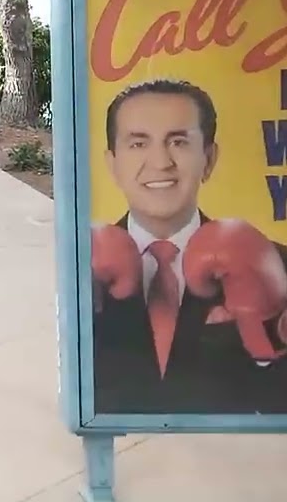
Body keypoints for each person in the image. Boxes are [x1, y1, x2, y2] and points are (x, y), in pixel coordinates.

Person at [92, 78, 287, 414]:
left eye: (179, 142)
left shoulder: (279, 262)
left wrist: (271, 341)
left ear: (208, 159)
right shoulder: (82, 263)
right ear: (112, 164)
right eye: (138, 144)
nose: (160, 162)